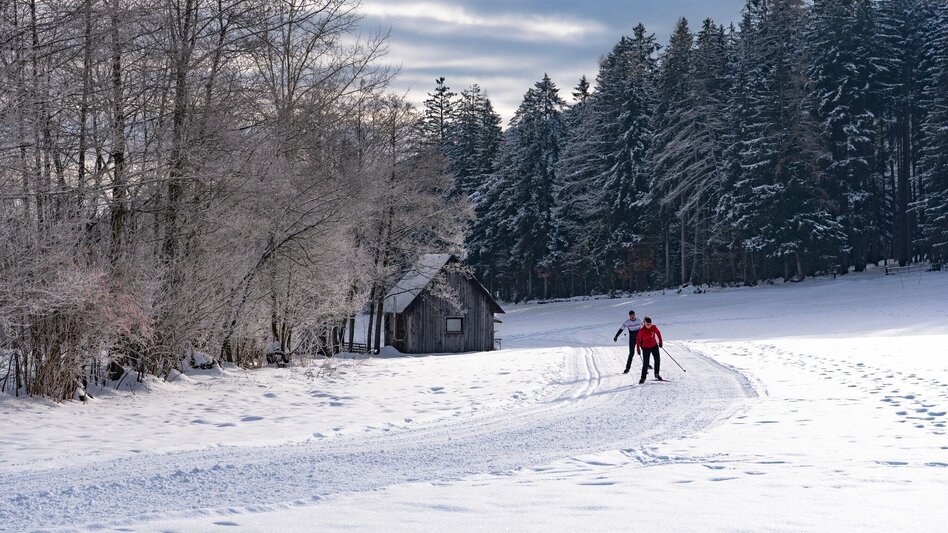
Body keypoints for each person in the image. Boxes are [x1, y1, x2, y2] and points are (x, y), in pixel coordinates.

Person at [635, 316, 663, 384]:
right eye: (648, 324)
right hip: (645, 347)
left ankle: (656, 374)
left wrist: (660, 342)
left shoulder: (653, 327)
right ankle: (643, 377)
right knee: (646, 363)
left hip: (654, 346)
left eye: (650, 324)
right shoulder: (641, 331)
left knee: (657, 359)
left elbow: (658, 333)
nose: (649, 326)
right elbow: (638, 340)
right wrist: (638, 349)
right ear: (644, 323)